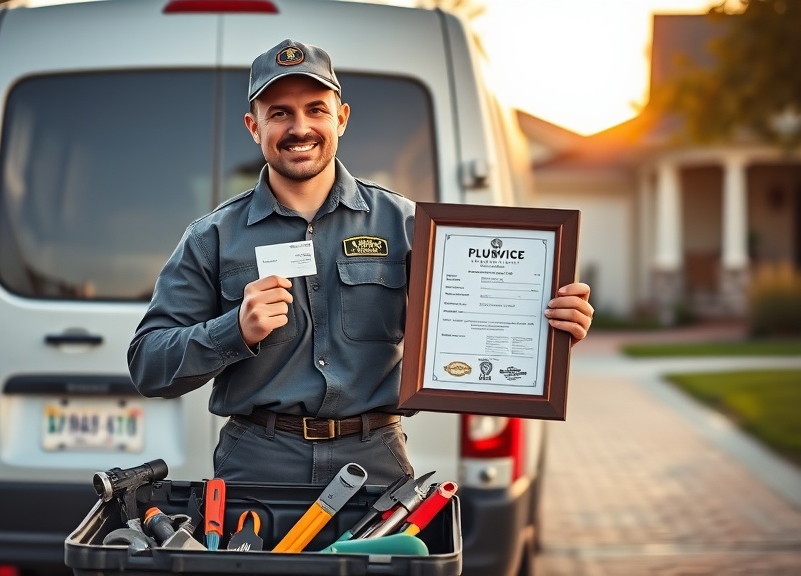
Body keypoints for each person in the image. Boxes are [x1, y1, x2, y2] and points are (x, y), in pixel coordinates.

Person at [127, 39, 594, 486]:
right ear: (254, 126)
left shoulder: (410, 225)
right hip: (258, 462)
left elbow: (476, 324)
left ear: (342, 118)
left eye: (316, 109)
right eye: (280, 114)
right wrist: (235, 329)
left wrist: (542, 334)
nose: (300, 128)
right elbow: (149, 365)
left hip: (376, 462)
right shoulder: (211, 238)